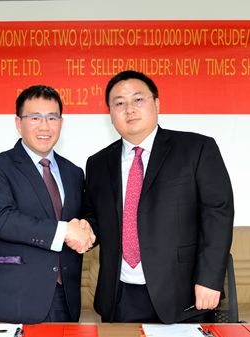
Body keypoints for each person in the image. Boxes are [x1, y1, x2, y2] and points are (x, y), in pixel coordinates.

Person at [83, 70, 234, 323]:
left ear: (157, 103)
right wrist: (84, 229)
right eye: (119, 103)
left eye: (138, 99)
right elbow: (95, 217)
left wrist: (209, 279)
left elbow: (218, 215)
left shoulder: (196, 149)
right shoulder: (98, 163)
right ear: (110, 114)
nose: (129, 109)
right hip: (119, 295)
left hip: (183, 293)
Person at [0, 85, 94, 324]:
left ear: (61, 123)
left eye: (52, 118)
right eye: (35, 118)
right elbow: (2, 220)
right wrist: (64, 230)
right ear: (19, 123)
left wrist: (87, 229)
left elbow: (83, 217)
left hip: (64, 298)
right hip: (13, 299)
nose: (44, 126)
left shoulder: (73, 172)